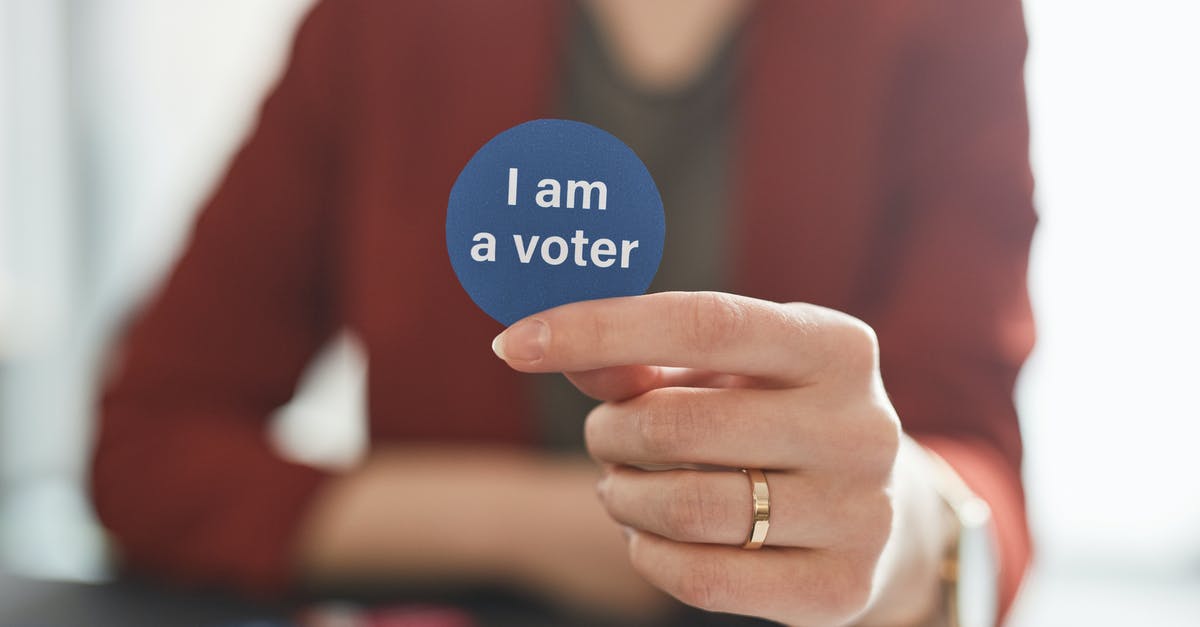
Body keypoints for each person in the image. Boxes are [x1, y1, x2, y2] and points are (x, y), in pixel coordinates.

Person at [90, 0, 1037, 625]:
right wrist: (553, 528)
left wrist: (899, 527)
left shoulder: (944, 21)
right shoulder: (380, 21)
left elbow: (979, 492)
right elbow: (146, 451)